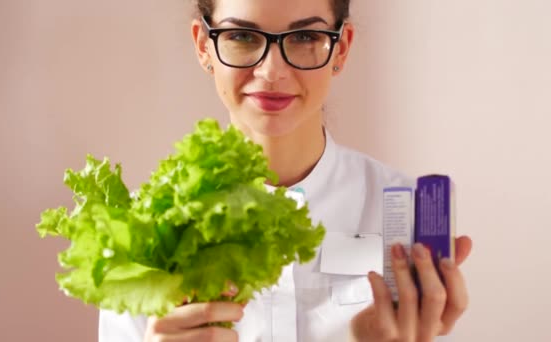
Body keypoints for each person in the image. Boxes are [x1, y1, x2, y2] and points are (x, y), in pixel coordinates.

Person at [99, 0, 473, 341]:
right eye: (242, 36)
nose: (272, 71)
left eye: (305, 36)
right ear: (203, 45)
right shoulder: (142, 230)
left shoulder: (407, 212)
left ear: (340, 48)